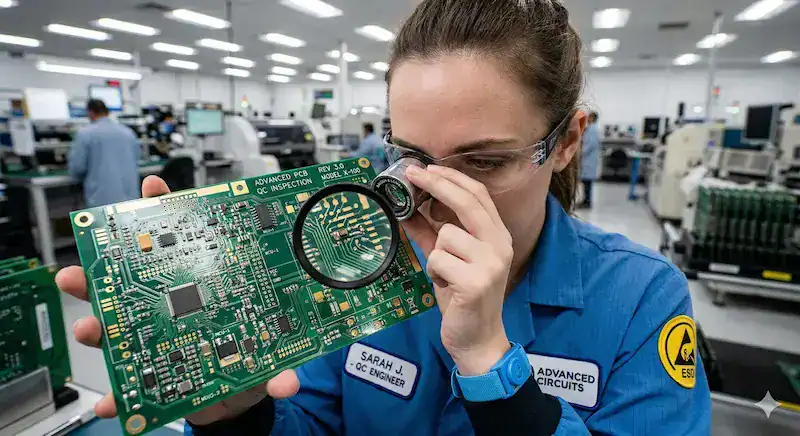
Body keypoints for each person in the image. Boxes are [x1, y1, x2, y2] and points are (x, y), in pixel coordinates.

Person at [55, 0, 711, 435]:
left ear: (567, 140)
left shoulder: (640, 298)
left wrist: (492, 365)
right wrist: (239, 416)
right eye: (414, 159)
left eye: (483, 161)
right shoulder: (356, 268)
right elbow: (308, 422)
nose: (440, 196)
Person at [68, 99, 140, 207]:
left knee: (105, 224)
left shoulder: (85, 133)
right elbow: (137, 158)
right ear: (107, 112)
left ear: (90, 112)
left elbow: (77, 168)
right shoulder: (128, 132)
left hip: (102, 201)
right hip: (131, 198)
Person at [579, 111, 600, 209]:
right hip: (588, 159)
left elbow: (591, 144)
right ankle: (585, 200)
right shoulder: (591, 128)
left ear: (592, 118)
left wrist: (581, 153)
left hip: (588, 159)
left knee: (587, 182)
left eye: (589, 117)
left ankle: (587, 202)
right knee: (586, 182)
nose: (587, 118)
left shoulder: (593, 129)